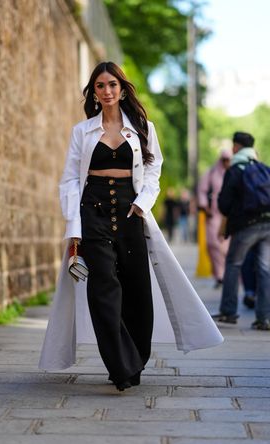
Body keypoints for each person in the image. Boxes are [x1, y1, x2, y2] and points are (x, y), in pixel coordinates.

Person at [39, 61, 223, 391]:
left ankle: (136, 357)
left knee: (137, 289)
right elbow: (68, 179)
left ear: (122, 89)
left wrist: (143, 202)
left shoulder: (143, 128)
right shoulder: (82, 132)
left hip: (130, 213)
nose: (107, 91)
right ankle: (119, 363)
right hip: (92, 211)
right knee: (102, 289)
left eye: (112, 85)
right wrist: (74, 225)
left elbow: (154, 170)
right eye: (100, 86)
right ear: (93, 92)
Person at [212, 132, 270, 330]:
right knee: (265, 270)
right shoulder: (263, 167)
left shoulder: (235, 169)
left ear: (236, 147)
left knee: (233, 264)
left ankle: (229, 312)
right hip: (268, 225)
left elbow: (224, 203)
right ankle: (265, 318)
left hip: (246, 226)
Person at [197, 150, 231, 288]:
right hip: (214, 213)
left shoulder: (233, 172)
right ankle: (219, 275)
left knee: (226, 245)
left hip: (228, 213)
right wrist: (205, 207)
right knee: (213, 244)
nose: (226, 162)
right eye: (224, 159)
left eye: (228, 159)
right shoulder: (211, 173)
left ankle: (229, 275)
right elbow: (202, 191)